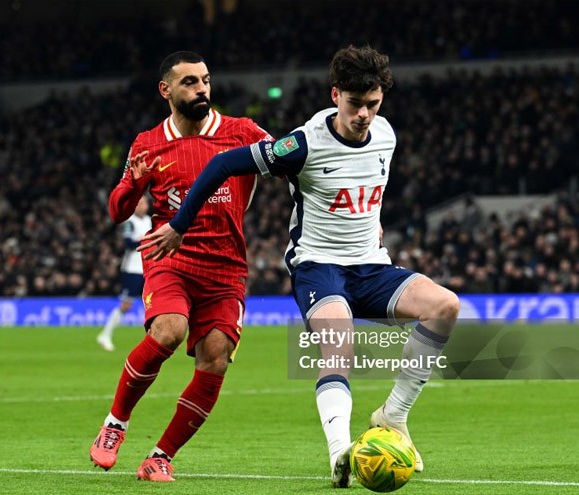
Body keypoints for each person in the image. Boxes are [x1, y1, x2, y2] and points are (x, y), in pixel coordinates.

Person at [140, 45, 460, 488]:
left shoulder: (386, 134)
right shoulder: (303, 144)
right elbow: (221, 164)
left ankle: (393, 415)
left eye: (372, 104)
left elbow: (369, 185)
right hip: (318, 267)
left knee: (445, 307)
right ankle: (339, 454)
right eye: (355, 104)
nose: (364, 114)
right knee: (339, 344)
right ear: (335, 95)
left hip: (370, 265)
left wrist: (376, 223)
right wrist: (178, 224)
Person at [88, 51, 272, 482]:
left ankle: (160, 457)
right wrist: (133, 182)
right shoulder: (148, 143)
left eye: (205, 80)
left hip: (227, 270)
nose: (201, 89)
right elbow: (117, 211)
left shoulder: (243, 133)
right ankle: (115, 423)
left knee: (216, 359)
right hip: (171, 260)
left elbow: (294, 160)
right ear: (165, 90)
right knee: (168, 330)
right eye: (189, 82)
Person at [96, 195, 152, 352]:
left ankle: (158, 338)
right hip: (132, 268)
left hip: (147, 267)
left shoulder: (149, 220)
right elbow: (127, 244)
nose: (142, 205)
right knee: (126, 304)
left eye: (144, 202)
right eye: (139, 202)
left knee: (153, 302)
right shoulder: (130, 222)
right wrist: (145, 240)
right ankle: (105, 335)